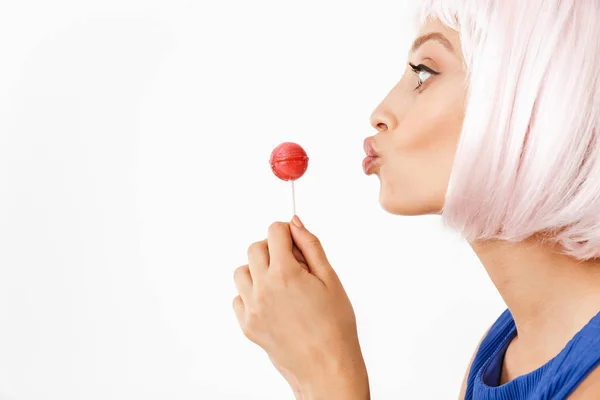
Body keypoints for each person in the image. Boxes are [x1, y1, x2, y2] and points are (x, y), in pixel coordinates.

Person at [232, 0, 600, 398]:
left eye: (423, 73)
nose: (379, 113)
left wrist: (325, 372)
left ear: (535, 99)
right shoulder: (503, 354)